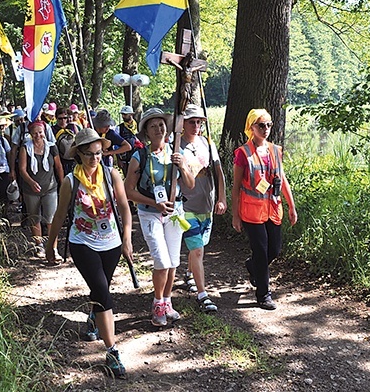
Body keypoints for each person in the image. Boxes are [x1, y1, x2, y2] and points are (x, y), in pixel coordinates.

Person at [45, 128, 133, 380]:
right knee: (103, 292)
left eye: (99, 153)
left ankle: (94, 320)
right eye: (89, 155)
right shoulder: (70, 182)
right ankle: (112, 351)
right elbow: (60, 215)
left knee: (100, 289)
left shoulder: (111, 174)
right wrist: (50, 245)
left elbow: (125, 209)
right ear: (79, 155)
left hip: (112, 242)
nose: (95, 159)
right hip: (83, 242)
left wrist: (127, 239)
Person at [124, 108, 195, 327]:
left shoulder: (176, 153)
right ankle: (157, 303)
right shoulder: (140, 156)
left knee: (173, 261)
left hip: (175, 213)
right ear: (146, 130)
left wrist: (182, 166)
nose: (158, 129)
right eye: (153, 126)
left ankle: (167, 302)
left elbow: (190, 185)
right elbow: (128, 190)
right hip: (150, 213)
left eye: (161, 125)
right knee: (161, 260)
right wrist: (155, 203)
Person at [231, 109, 297, 310]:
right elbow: (235, 188)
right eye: (261, 125)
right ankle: (263, 294)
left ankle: (253, 267)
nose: (266, 129)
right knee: (260, 251)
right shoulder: (243, 153)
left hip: (273, 209)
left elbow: (282, 179)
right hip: (251, 211)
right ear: (251, 127)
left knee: (274, 250)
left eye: (269, 124)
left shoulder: (275, 150)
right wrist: (235, 215)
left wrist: (291, 206)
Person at [180, 104, 227, 312]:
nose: (196, 125)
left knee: (200, 247)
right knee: (197, 250)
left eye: (199, 122)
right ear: (182, 122)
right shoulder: (175, 145)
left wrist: (222, 198)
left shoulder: (208, 144)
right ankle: (202, 295)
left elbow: (218, 172)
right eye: (192, 121)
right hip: (186, 205)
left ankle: (190, 274)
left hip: (206, 205)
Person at [18, 121, 64, 260]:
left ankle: (53, 248)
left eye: (40, 132)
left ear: (45, 132)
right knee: (34, 218)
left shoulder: (52, 147)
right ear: (30, 134)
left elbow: (58, 167)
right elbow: (22, 169)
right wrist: (31, 182)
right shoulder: (25, 148)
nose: (38, 135)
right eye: (35, 133)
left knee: (51, 219)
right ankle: (39, 246)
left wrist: (63, 184)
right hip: (30, 190)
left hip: (50, 188)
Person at [53, 107, 78, 175]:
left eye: (65, 118)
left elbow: (78, 139)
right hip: (60, 159)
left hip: (73, 158)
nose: (63, 120)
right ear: (56, 118)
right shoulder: (53, 129)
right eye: (60, 118)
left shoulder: (72, 126)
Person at [116, 105, 139, 177]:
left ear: (131, 114)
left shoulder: (138, 126)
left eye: (125, 114)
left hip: (137, 155)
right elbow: (116, 145)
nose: (123, 116)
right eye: (122, 114)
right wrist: (118, 159)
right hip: (125, 157)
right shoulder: (119, 128)